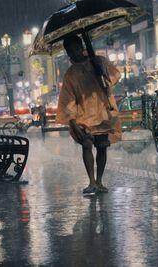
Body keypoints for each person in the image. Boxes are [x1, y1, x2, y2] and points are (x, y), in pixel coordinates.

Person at [56, 35, 122, 195]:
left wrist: (101, 68)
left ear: (82, 48)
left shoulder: (98, 61)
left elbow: (113, 77)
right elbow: (68, 99)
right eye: (71, 51)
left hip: (102, 111)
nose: (75, 53)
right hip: (83, 116)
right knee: (86, 145)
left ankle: (99, 181)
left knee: (102, 148)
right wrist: (71, 120)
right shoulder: (70, 74)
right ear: (68, 53)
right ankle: (91, 181)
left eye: (77, 49)